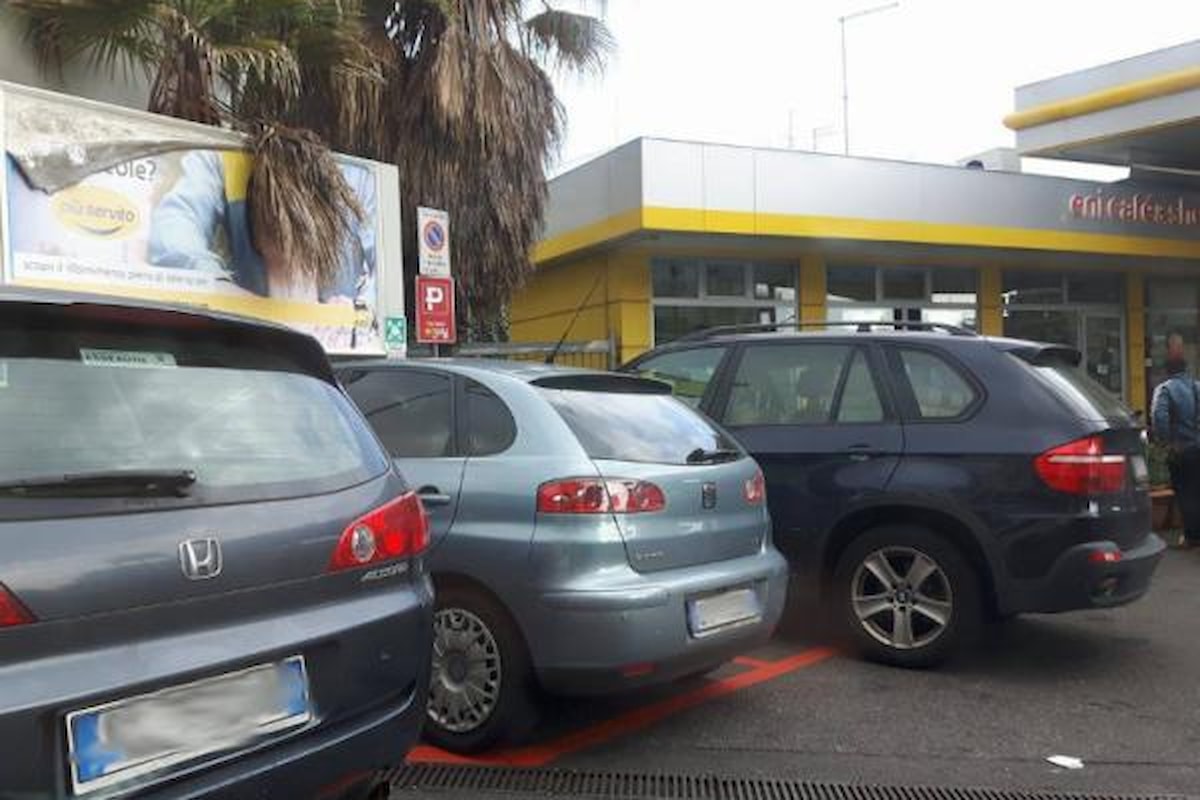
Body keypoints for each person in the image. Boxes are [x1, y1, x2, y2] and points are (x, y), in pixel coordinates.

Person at [1151, 333, 1200, 548]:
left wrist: (1167, 441)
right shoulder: (1197, 387)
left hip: (1181, 449)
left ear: (1167, 371)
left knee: (1185, 492)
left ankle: (1192, 537)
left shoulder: (1165, 389)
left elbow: (1159, 418)